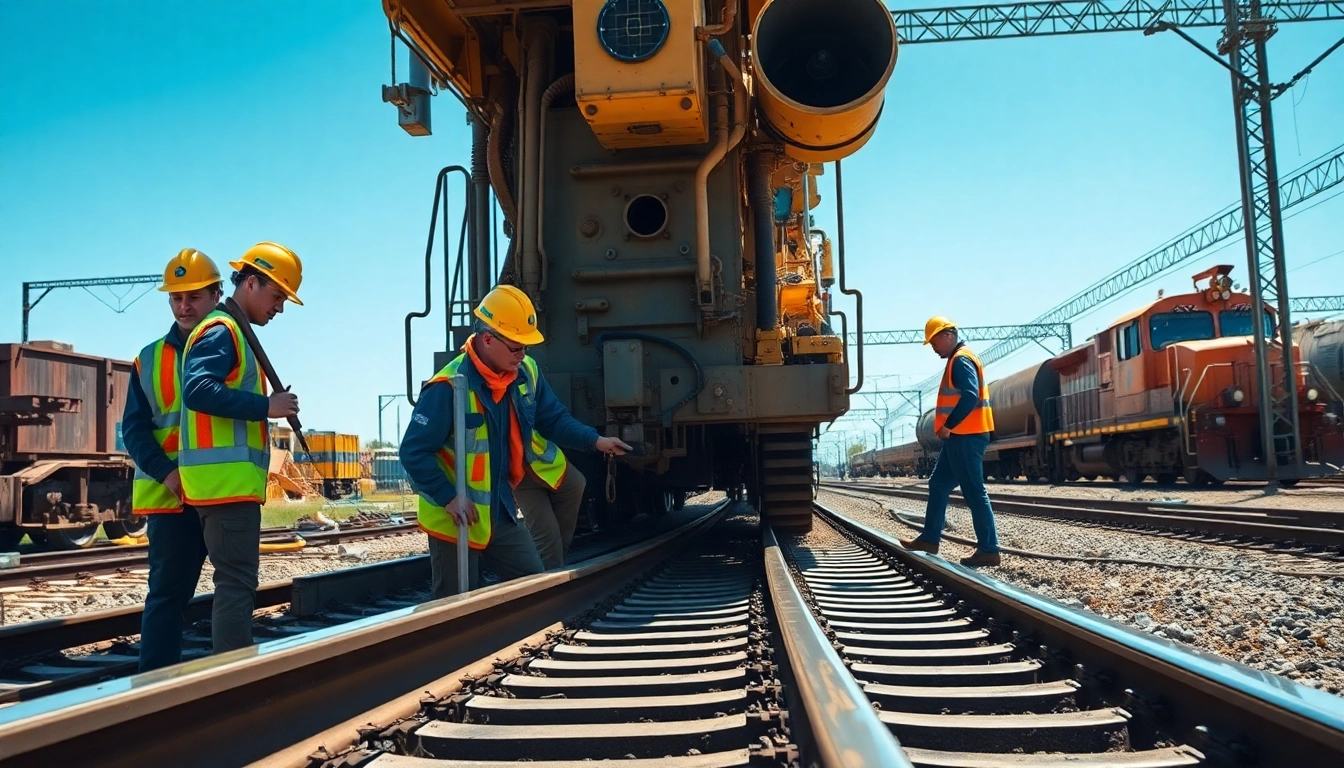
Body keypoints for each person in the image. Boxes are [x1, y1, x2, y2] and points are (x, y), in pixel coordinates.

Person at [400, 284, 631, 598]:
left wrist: (595, 441)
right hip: (455, 518)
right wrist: (448, 497)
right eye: (516, 347)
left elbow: (553, 419)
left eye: (526, 347)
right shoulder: (448, 387)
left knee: (535, 590)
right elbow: (413, 451)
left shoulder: (525, 373)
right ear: (487, 340)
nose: (522, 355)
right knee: (452, 609)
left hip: (498, 513)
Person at [179, 242, 304, 654]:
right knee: (235, 587)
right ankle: (232, 680)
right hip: (224, 487)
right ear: (251, 282)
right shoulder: (222, 330)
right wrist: (266, 406)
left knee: (233, 584)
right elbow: (197, 390)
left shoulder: (230, 330)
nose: (280, 308)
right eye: (278, 296)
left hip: (221, 486)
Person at [122, 249, 222, 672]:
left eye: (194, 296)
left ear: (217, 295)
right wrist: (167, 473)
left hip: (221, 495)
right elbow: (135, 429)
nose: (184, 305)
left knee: (233, 589)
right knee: (165, 595)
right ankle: (154, 684)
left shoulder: (232, 345)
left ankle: (228, 679)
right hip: (171, 498)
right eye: (176, 297)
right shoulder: (147, 359)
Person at [900, 316, 1002, 567]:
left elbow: (970, 395)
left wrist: (948, 426)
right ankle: (930, 538)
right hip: (960, 437)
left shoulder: (961, 359)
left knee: (974, 491)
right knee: (938, 484)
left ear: (948, 335)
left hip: (966, 436)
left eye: (934, 341)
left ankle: (989, 549)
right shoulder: (959, 359)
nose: (933, 348)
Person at [515, 441, 587, 570]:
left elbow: (551, 421)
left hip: (542, 464)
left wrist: (593, 440)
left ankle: (554, 570)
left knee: (576, 483)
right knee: (548, 544)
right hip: (521, 472)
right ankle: (550, 578)